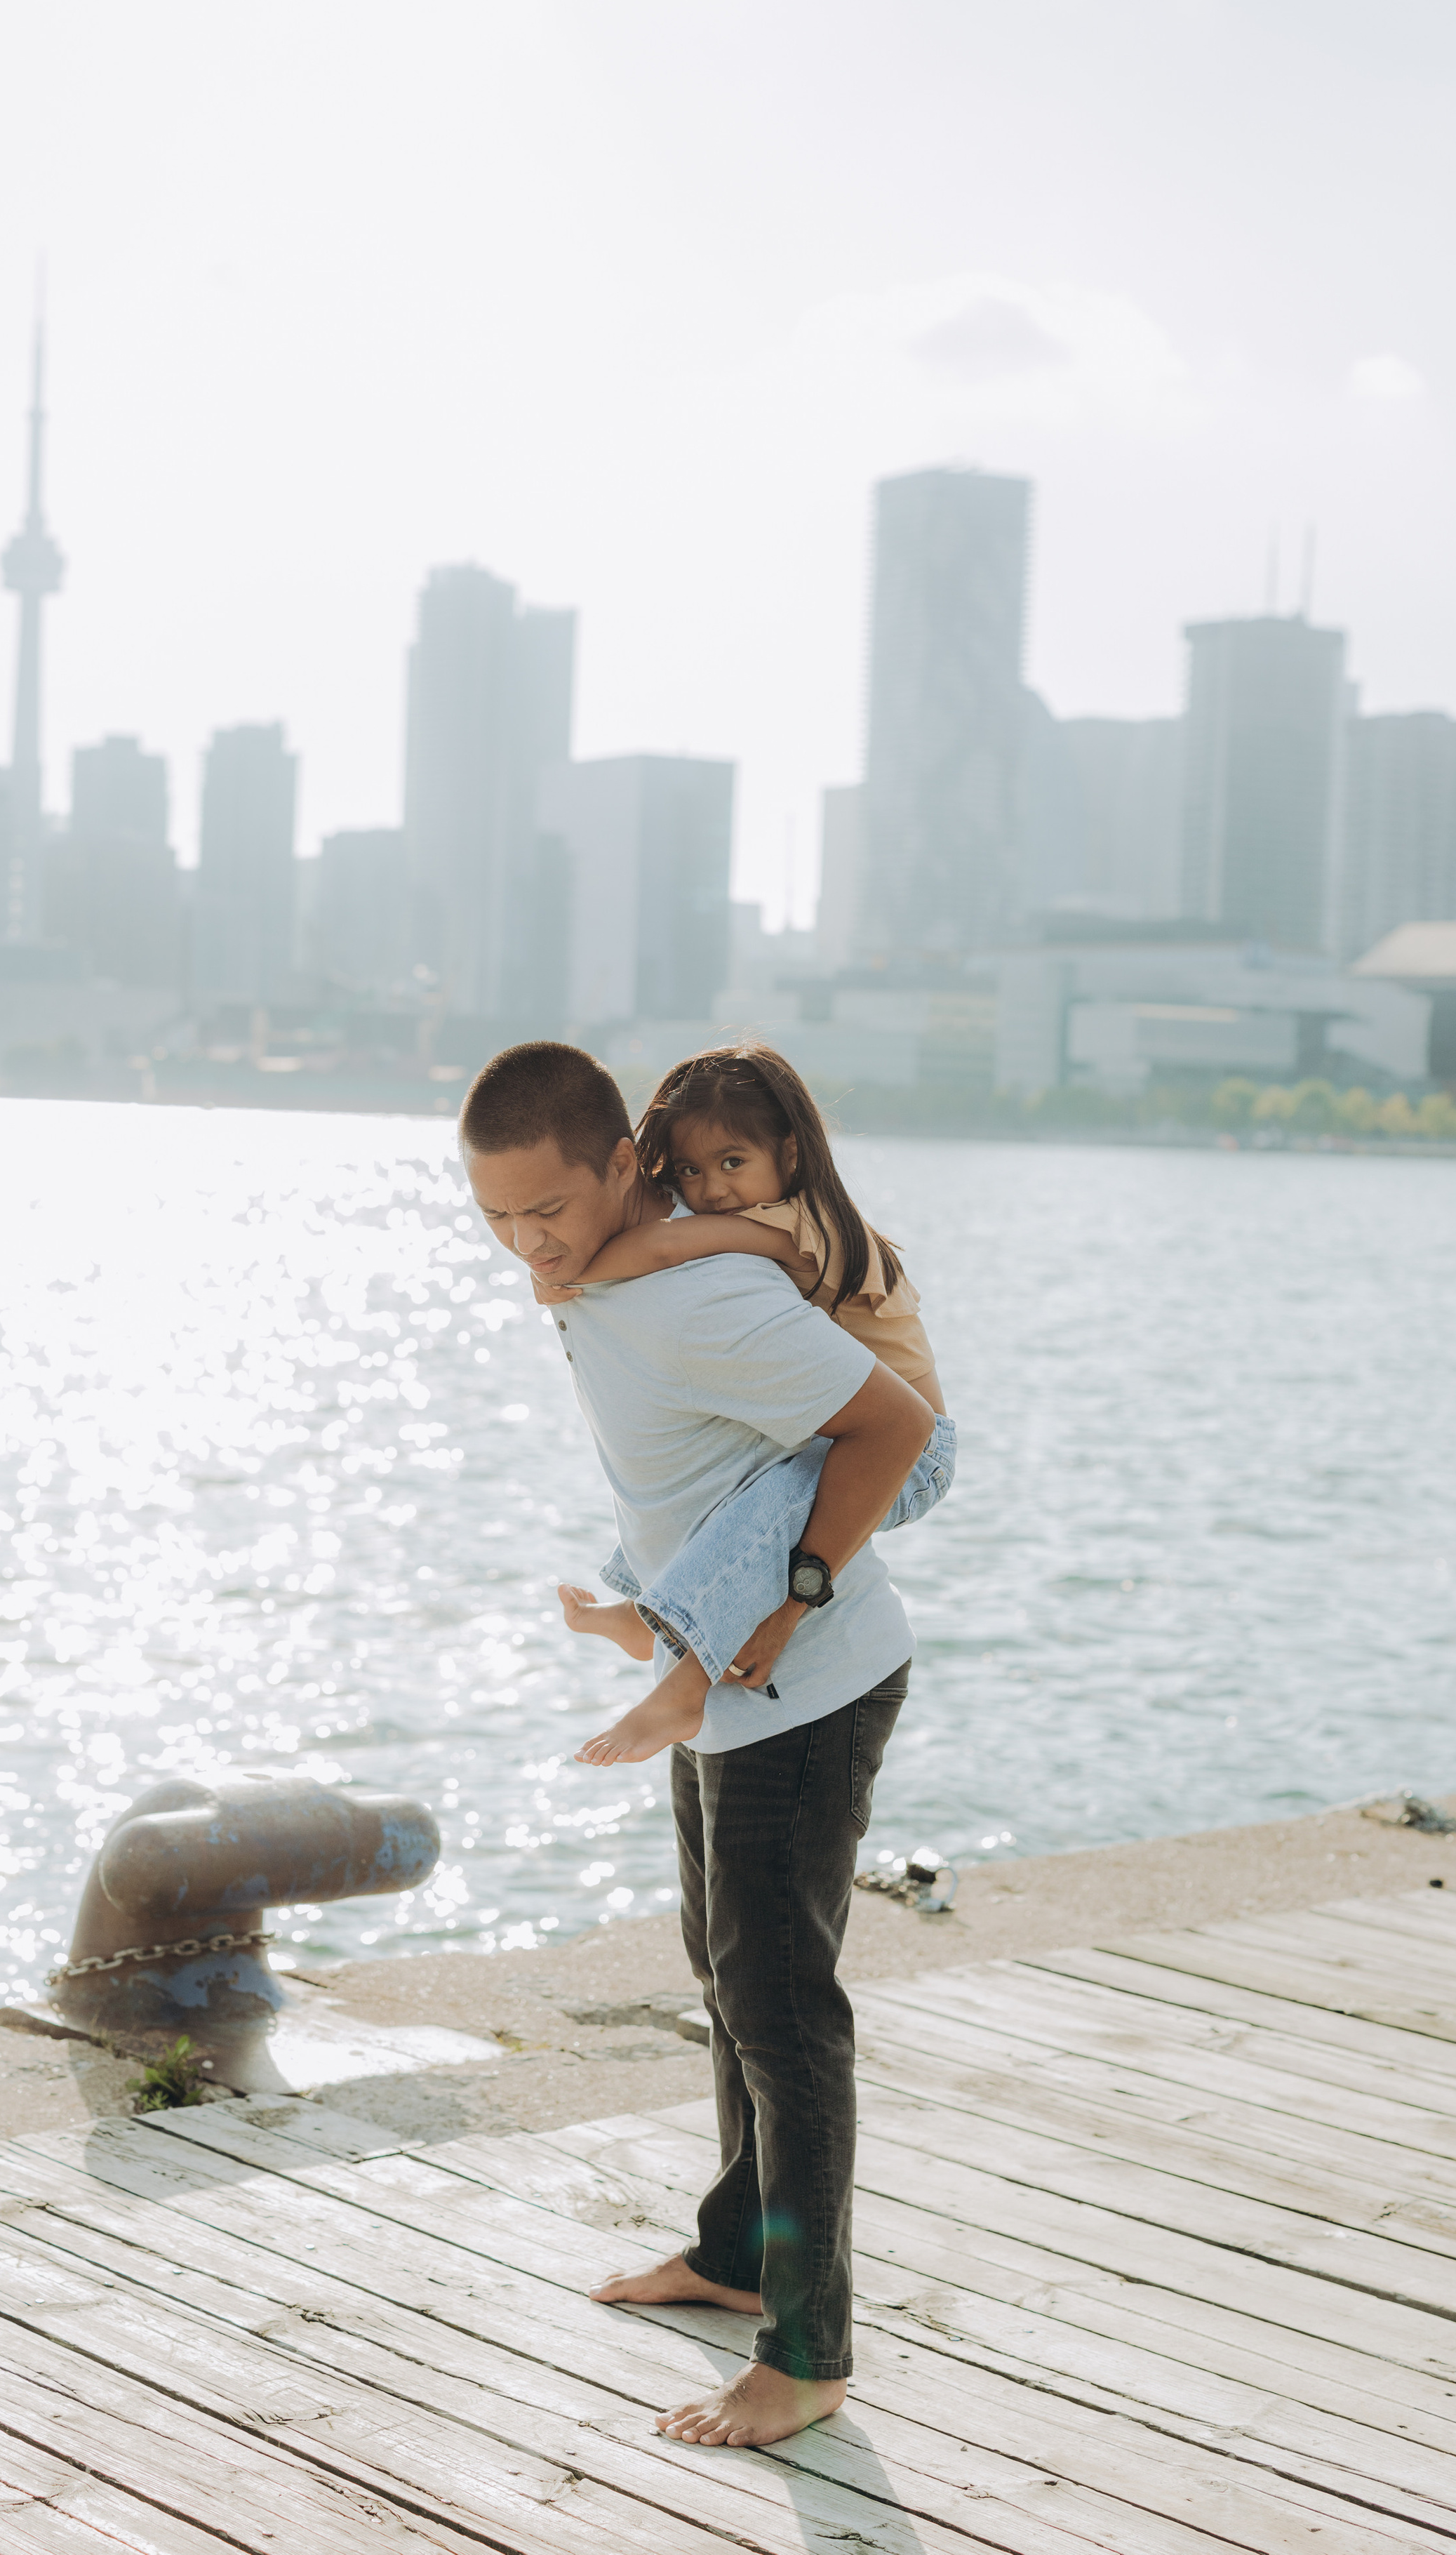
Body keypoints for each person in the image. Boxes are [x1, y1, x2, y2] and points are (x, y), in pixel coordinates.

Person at [460, 1040, 933, 2451]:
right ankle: (736, 2256)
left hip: (805, 1688)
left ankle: (807, 2354)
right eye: (494, 1218)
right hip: (723, 1682)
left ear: (624, 1169)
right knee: (723, 1978)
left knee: (783, 2012)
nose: (523, 1243)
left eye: (546, 1210)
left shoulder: (705, 1295)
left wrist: (782, 1611)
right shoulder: (614, 1282)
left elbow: (895, 1424)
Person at [540, 1045, 951, 1768]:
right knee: (724, 1487)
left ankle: (687, 1678)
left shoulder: (801, 1226)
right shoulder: (778, 1212)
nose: (714, 1190)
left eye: (733, 1163)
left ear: (789, 1154)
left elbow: (676, 1246)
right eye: (692, 1171)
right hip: (863, 1429)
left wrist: (572, 1272)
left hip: (918, 1451)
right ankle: (648, 1615)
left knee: (769, 1499)